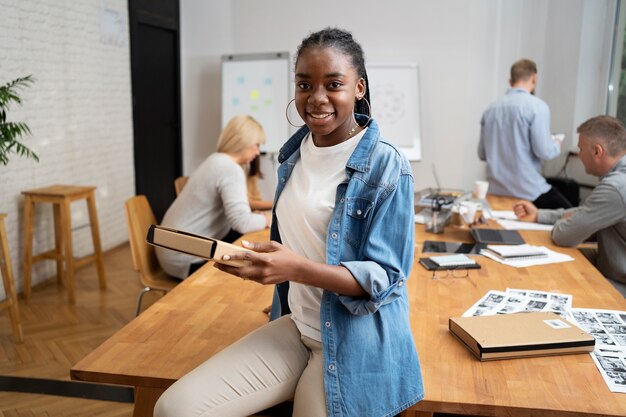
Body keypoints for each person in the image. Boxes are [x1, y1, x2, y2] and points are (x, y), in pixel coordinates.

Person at [154, 27, 423, 417]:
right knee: (173, 409)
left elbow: (385, 278)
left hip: (352, 341)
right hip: (298, 326)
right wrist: (266, 268)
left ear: (359, 87)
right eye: (304, 84)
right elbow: (295, 245)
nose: (316, 98)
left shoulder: (387, 166)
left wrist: (295, 269)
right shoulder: (292, 155)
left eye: (334, 84)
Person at [513, 115, 626, 296]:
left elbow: (563, 236)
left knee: (552, 278)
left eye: (581, 148)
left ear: (597, 151)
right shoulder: (618, 181)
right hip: (612, 265)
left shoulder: (615, 187)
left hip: (619, 282)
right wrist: (539, 215)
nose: (579, 154)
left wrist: (567, 224)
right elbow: (588, 211)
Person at [155, 115, 272, 280]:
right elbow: (242, 223)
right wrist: (268, 220)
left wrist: (257, 217)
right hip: (185, 258)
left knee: (250, 250)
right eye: (256, 145)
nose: (257, 152)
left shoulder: (215, 161)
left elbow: (239, 214)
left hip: (172, 250)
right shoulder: (229, 168)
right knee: (258, 265)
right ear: (243, 142)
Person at [478, 58, 571, 209]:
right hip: (528, 191)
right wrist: (556, 144)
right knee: (570, 214)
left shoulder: (490, 110)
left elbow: (482, 154)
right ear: (534, 79)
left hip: (496, 191)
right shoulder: (537, 107)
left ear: (510, 81)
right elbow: (545, 152)